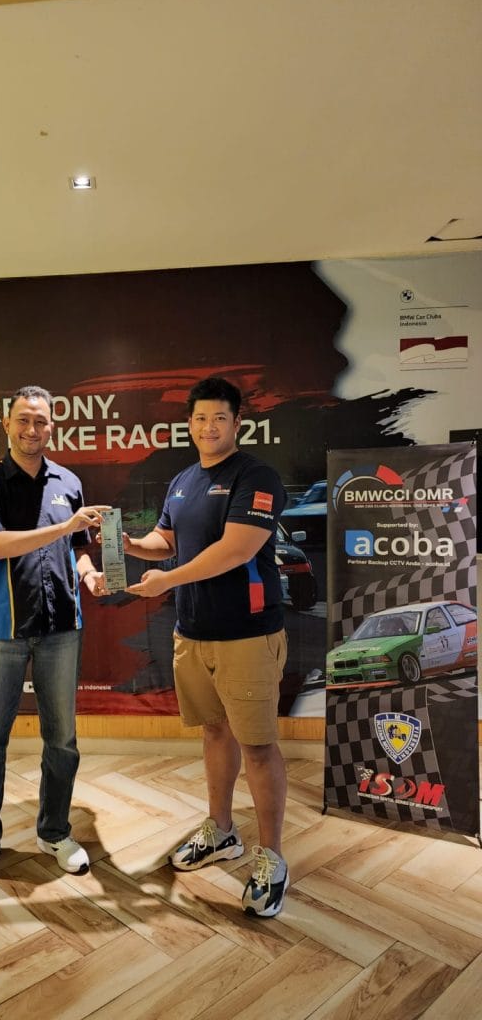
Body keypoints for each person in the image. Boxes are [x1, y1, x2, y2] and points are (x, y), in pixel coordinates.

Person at [125, 376, 290, 918]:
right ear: (190, 423)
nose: (208, 427)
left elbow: (236, 550)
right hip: (193, 633)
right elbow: (167, 542)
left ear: (237, 422)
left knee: (259, 746)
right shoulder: (182, 481)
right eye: (200, 418)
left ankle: (272, 858)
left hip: (247, 634)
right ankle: (221, 831)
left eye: (219, 418)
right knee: (215, 732)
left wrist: (167, 581)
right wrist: (130, 545)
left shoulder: (256, 476)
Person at [0, 385, 110, 888]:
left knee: (62, 741)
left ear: (51, 428)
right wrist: (64, 528)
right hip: (2, 629)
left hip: (61, 627)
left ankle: (55, 831)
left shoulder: (68, 481)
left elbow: (79, 547)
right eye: (23, 419)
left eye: (41, 421)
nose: (32, 429)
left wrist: (89, 574)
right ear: (6, 424)